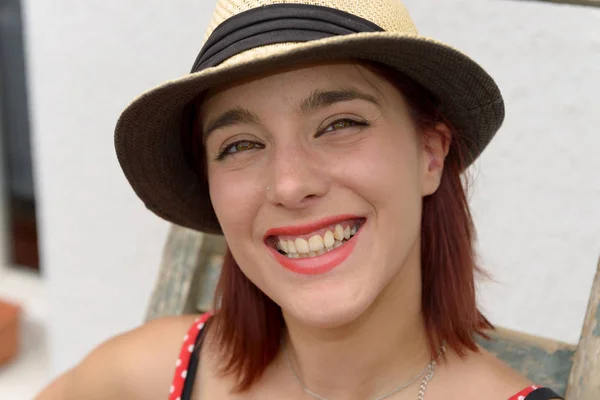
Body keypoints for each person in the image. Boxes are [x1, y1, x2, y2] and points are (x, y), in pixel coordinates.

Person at [37, 1, 563, 399]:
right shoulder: (150, 374)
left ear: (429, 154)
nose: (290, 185)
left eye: (340, 124)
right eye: (240, 144)